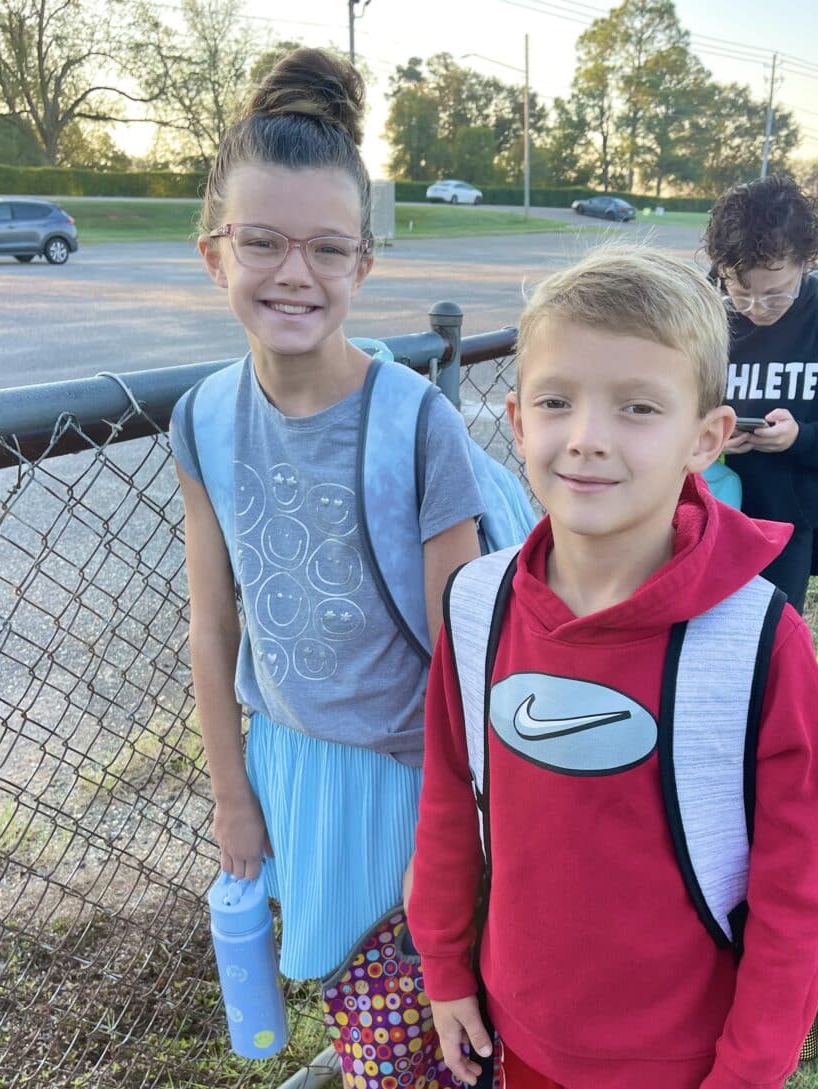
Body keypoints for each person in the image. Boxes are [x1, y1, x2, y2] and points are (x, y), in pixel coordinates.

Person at [408, 243, 818, 1089]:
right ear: (518, 421)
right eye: (557, 401)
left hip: (687, 1061)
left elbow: (797, 897)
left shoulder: (757, 643)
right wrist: (447, 965)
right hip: (519, 1031)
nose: (587, 439)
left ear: (706, 438)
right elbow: (451, 796)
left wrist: (747, 1072)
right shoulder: (476, 606)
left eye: (638, 407)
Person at [169, 46, 484, 990]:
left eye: (328, 248)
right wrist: (233, 793)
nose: (294, 274)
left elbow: (459, 648)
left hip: (413, 777)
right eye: (263, 241)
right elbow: (213, 625)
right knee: (351, 1005)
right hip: (291, 771)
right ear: (214, 253)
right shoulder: (203, 419)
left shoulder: (417, 423)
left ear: (363, 262)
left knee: (428, 1015)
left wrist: (462, 822)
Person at [703, 174, 818, 612]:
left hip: (788, 532)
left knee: (773, 642)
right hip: (702, 524)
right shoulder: (704, 329)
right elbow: (659, 424)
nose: (757, 308)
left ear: (807, 262)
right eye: (740, 292)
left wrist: (800, 438)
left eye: (775, 294)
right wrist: (707, 440)